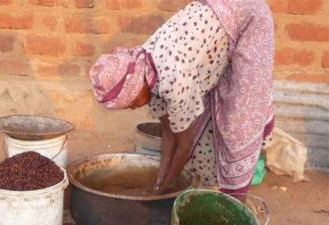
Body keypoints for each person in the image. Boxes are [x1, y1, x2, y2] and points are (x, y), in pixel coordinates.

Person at [89, 0, 274, 197]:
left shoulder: (172, 80)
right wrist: (158, 180)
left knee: (237, 121)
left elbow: (183, 146)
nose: (133, 109)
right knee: (205, 115)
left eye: (132, 103)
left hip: (249, 18)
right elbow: (169, 134)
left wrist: (161, 191)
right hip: (218, 21)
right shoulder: (144, 68)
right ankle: (207, 185)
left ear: (136, 87)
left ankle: (235, 202)